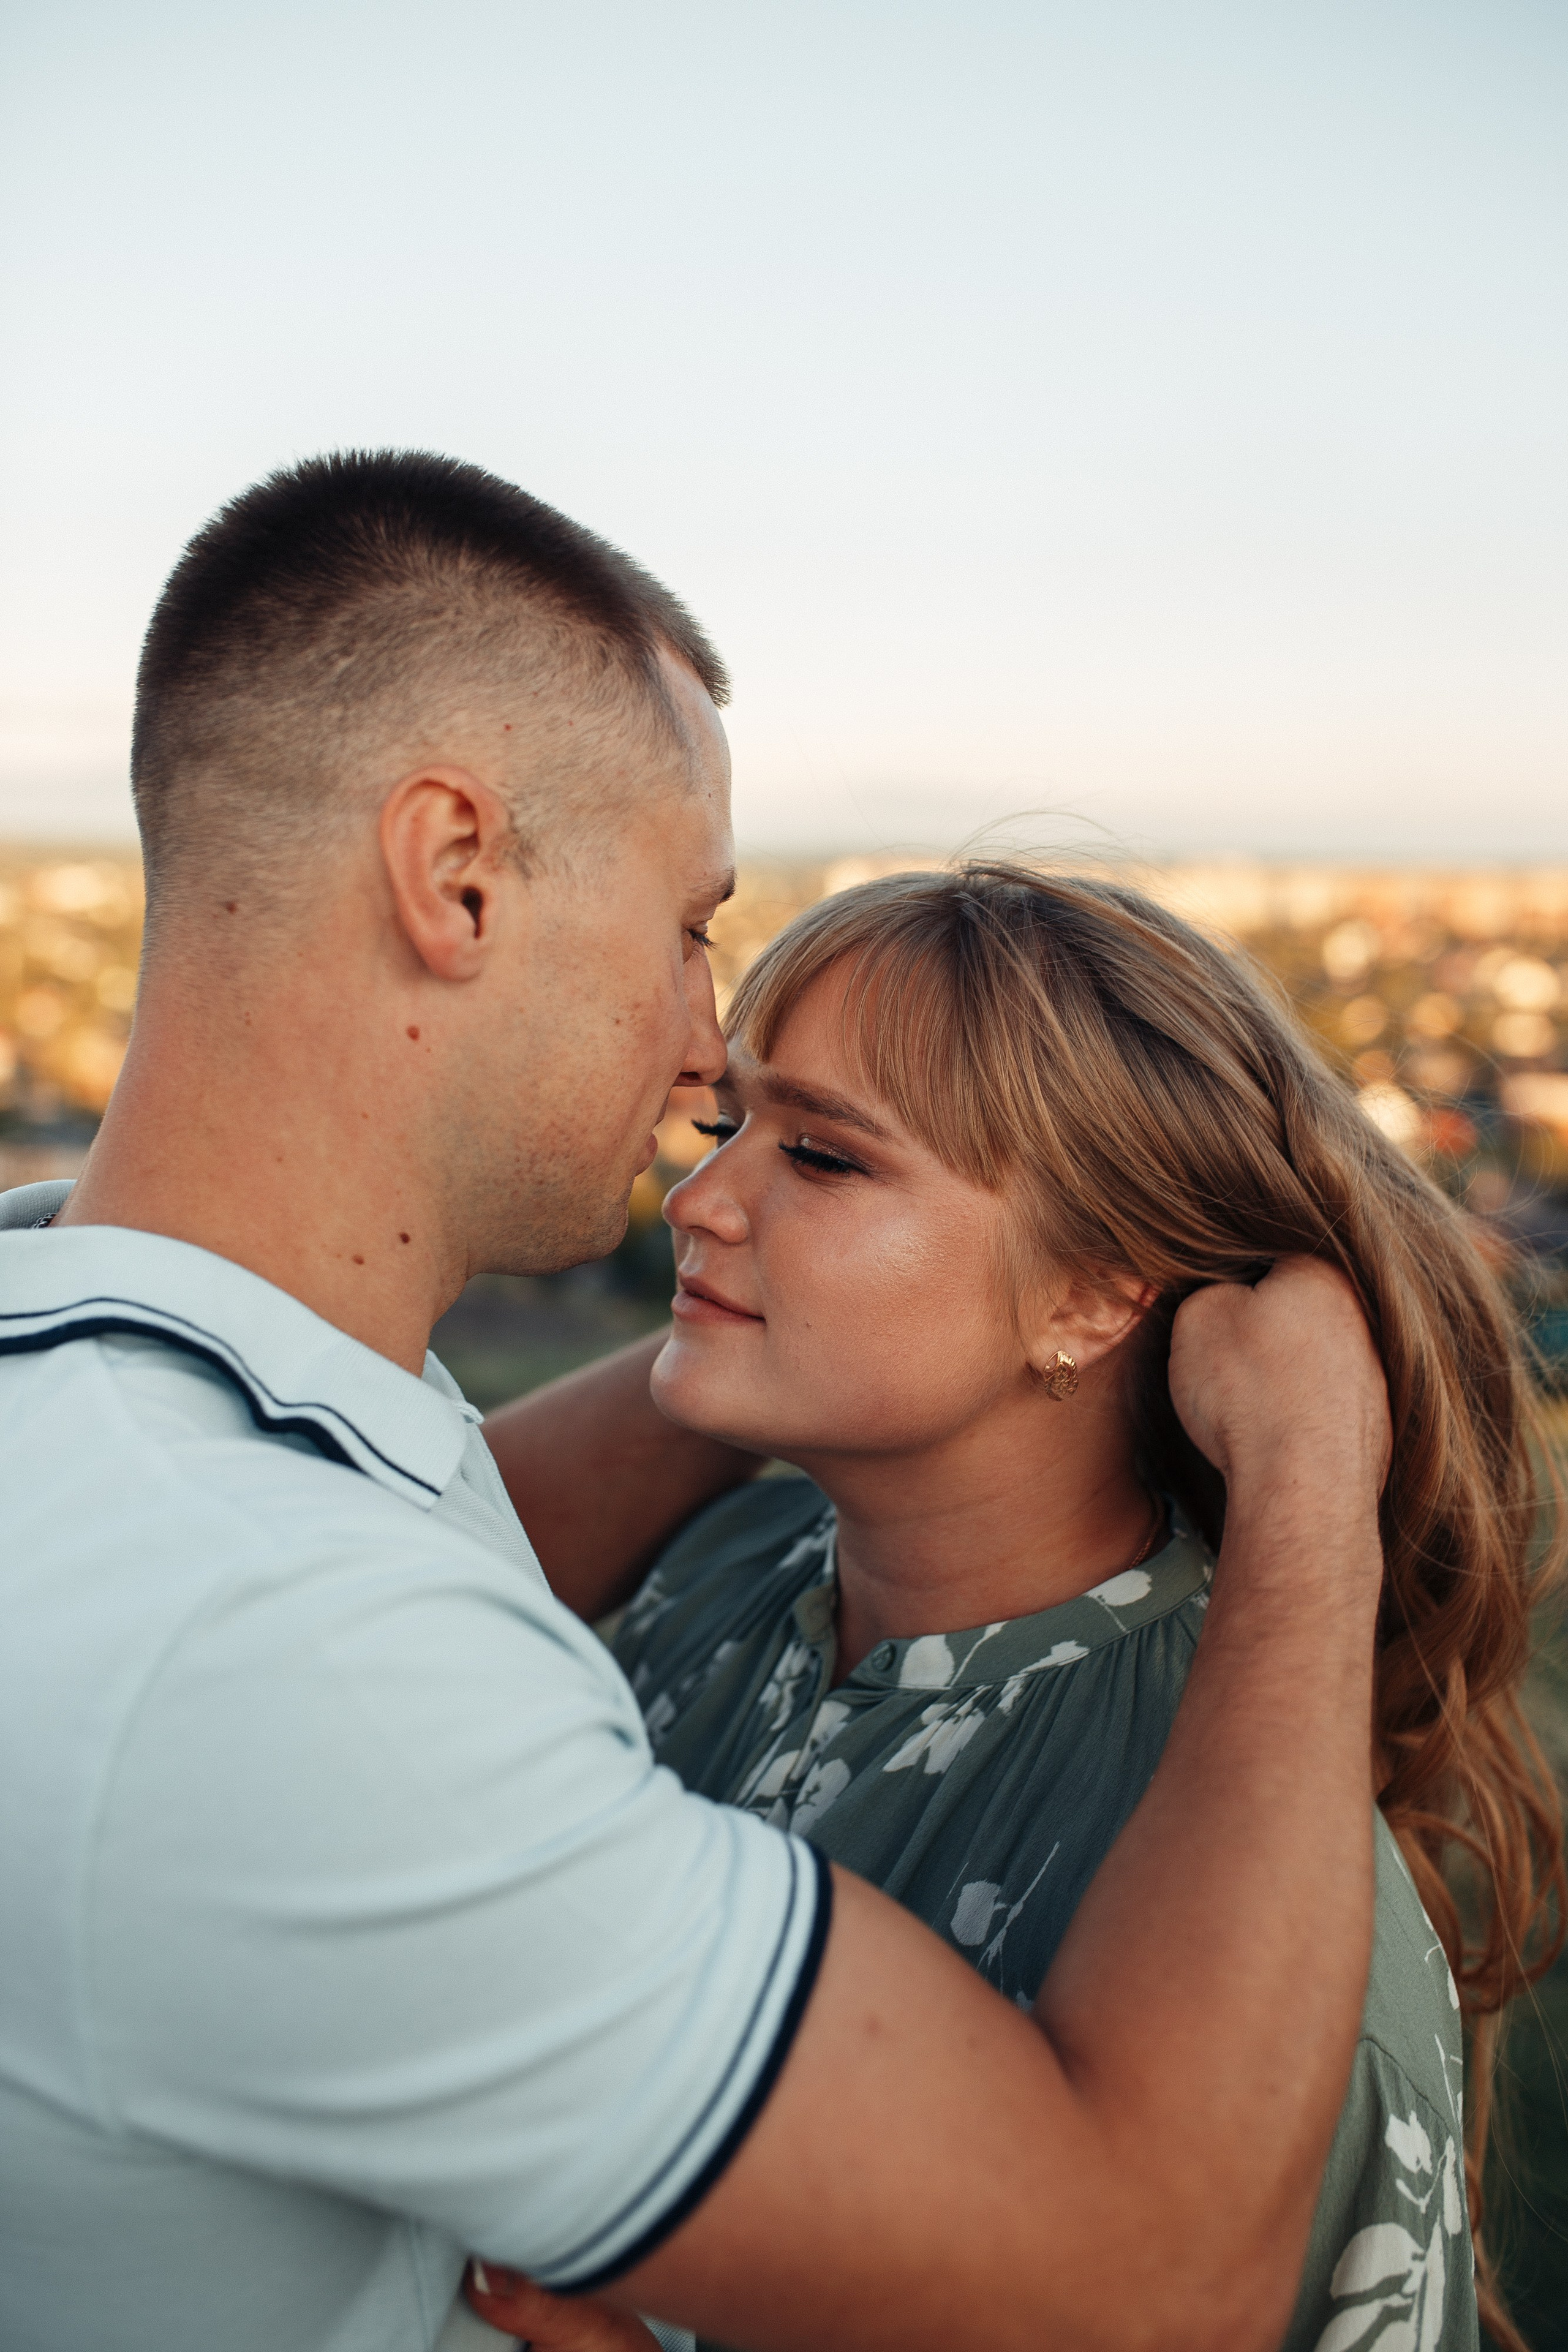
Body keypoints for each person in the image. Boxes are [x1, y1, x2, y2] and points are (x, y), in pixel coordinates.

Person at [1, 450, 1390, 2352]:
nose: (697, 1038)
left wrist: (812, 1346)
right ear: (456, 874)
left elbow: (426, 1512)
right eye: (684, 921)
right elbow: (1156, 2277)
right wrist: (1314, 1470)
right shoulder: (282, 1652)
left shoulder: (95, 1341)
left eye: (816, 1147)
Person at [478, 864, 1565, 2352]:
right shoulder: (728, 1574)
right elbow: (383, 1560)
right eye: (728, 1127)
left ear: (1094, 1297)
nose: (696, 1198)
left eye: (824, 1158)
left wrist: (1304, 1459)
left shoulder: (1242, 1905)